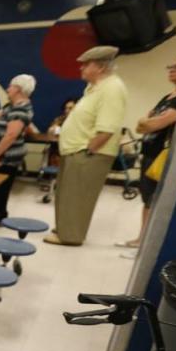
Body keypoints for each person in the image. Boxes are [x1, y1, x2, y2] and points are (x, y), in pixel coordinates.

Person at [45, 46, 128, 246]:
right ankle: (64, 229)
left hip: (88, 153)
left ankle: (70, 236)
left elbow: (107, 129)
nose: (81, 67)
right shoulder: (95, 88)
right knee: (67, 194)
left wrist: (88, 150)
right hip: (77, 151)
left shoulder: (112, 88)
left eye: (85, 64)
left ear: (99, 67)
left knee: (78, 196)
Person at [118, 51, 176, 251]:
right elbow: (141, 125)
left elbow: (152, 124)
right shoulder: (168, 97)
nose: (171, 70)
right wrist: (147, 122)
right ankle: (142, 239)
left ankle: (149, 244)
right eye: (169, 66)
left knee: (156, 200)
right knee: (147, 199)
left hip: (164, 157)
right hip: (150, 153)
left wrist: (148, 122)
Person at [0, 74, 36, 226]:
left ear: (18, 89)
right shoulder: (12, 106)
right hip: (3, 155)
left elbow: (11, 135)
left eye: (11, 86)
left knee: (1, 188)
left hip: (7, 156)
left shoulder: (20, 110)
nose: (7, 89)